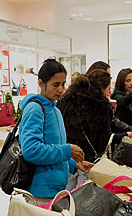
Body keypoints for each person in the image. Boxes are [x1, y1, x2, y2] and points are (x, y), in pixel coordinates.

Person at [19, 59, 92, 202]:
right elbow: (31, 150)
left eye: (63, 84)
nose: (61, 89)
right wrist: (67, 150)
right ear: (41, 83)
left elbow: (54, 149)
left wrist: (75, 164)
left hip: (57, 189)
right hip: (40, 191)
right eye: (55, 85)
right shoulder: (35, 109)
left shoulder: (55, 110)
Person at [61, 70, 132, 189]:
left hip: (68, 158)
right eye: (108, 88)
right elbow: (104, 139)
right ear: (102, 88)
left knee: (65, 196)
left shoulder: (67, 99)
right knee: (82, 196)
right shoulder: (101, 106)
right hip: (89, 161)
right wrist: (126, 134)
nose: (108, 92)